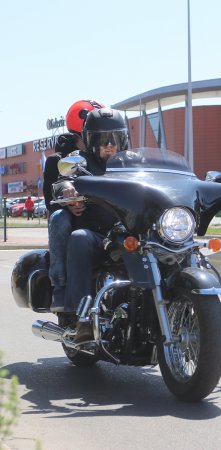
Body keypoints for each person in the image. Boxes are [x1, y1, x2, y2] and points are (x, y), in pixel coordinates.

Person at [48, 108, 128, 340]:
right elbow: (62, 181)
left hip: (130, 233)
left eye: (115, 138)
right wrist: (68, 190)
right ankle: (79, 317)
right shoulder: (81, 161)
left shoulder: (133, 163)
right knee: (79, 238)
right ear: (91, 142)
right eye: (103, 140)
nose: (110, 145)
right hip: (97, 235)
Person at [43, 99, 105, 215]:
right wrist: (69, 206)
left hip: (104, 218)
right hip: (77, 223)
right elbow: (50, 201)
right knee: (59, 216)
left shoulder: (105, 157)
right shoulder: (56, 161)